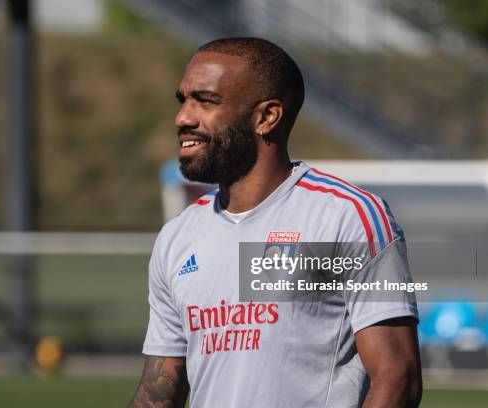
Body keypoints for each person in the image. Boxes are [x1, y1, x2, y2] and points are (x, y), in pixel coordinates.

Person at [128, 37, 422, 408]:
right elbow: (159, 391)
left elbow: (398, 377)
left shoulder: (346, 216)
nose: (183, 117)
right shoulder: (177, 236)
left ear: (267, 117)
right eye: (183, 99)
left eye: (206, 100)